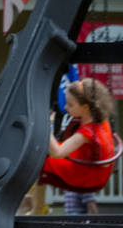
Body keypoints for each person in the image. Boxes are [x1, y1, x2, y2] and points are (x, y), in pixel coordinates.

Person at [29, 78, 115, 215]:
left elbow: (57, 152)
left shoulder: (87, 133)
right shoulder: (100, 120)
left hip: (85, 174)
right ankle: (35, 206)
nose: (65, 107)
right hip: (90, 168)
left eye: (70, 104)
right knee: (39, 161)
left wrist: (46, 124)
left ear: (85, 107)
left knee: (37, 163)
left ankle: (36, 209)